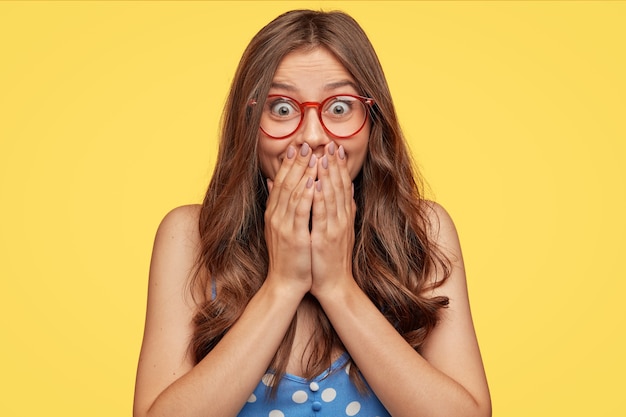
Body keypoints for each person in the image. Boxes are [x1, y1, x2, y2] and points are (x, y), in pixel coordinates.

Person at [133, 9, 491, 417]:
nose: (313, 136)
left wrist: (337, 287)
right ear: (249, 122)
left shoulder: (424, 231)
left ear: (372, 122)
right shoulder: (188, 237)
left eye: (339, 108)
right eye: (282, 109)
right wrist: (282, 286)